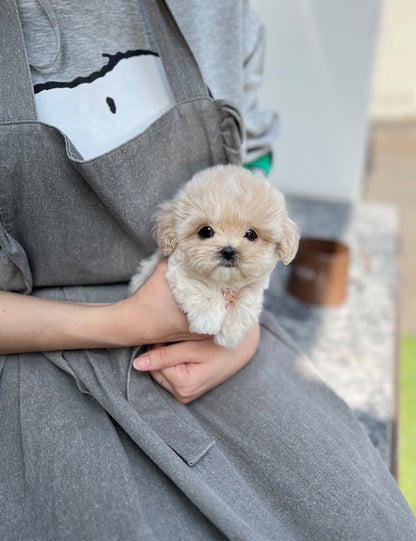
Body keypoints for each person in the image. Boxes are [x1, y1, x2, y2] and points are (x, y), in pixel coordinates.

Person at [0, 1, 415, 539]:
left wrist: (241, 326)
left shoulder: (215, 10)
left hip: (217, 329)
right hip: (26, 347)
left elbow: (250, 177)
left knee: (357, 518)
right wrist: (127, 323)